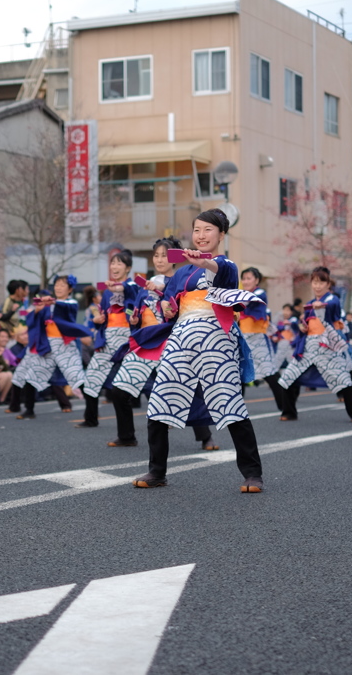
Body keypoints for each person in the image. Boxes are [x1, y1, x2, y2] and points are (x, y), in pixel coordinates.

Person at [132, 209, 264, 493]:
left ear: (221, 235)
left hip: (216, 340)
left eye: (208, 230)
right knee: (160, 400)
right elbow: (170, 308)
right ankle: (157, 470)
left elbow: (222, 272)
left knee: (230, 401)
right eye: (197, 230)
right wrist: (168, 307)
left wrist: (203, 261)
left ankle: (252, 473)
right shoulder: (180, 274)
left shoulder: (224, 264)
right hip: (181, 338)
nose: (201, 236)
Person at [108, 237, 217, 450]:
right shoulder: (144, 285)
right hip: (147, 342)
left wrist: (161, 288)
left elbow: (181, 307)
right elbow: (138, 309)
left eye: (165, 255)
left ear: (175, 257)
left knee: (189, 389)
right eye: (156, 255)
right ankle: (127, 435)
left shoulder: (181, 280)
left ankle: (206, 437)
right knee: (119, 389)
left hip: (170, 342)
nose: (159, 259)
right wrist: (135, 321)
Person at [277, 266, 352, 423]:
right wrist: (303, 327)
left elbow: (331, 307)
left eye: (321, 282)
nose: (317, 285)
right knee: (288, 377)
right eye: (314, 282)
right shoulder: (310, 303)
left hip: (327, 347)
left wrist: (321, 306)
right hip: (309, 346)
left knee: (343, 380)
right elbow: (307, 325)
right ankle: (289, 411)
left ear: (328, 284)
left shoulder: (332, 299)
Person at [10, 279, 90, 419]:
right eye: (57, 285)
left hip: (65, 346)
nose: (58, 288)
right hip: (48, 346)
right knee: (31, 377)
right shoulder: (46, 305)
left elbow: (68, 307)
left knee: (77, 377)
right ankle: (29, 410)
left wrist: (53, 302)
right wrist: (36, 311)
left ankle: (91, 411)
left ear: (70, 289)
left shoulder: (70, 303)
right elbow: (31, 320)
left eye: (62, 285)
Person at [80, 251, 142, 428]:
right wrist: (99, 320)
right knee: (92, 375)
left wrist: (118, 288)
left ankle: (163, 415)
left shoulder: (132, 286)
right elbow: (104, 314)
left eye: (119, 263)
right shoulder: (107, 293)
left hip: (127, 338)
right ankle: (90, 418)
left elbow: (132, 303)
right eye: (112, 263)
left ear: (128, 268)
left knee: (142, 378)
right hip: (109, 337)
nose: (114, 267)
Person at [237, 267, 287, 411]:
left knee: (269, 374)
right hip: (244, 340)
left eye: (249, 278)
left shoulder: (259, 293)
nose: (246, 281)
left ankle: (285, 407)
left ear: (257, 280)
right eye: (244, 278)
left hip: (258, 339)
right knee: (239, 374)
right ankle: (238, 410)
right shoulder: (241, 295)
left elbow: (245, 302)